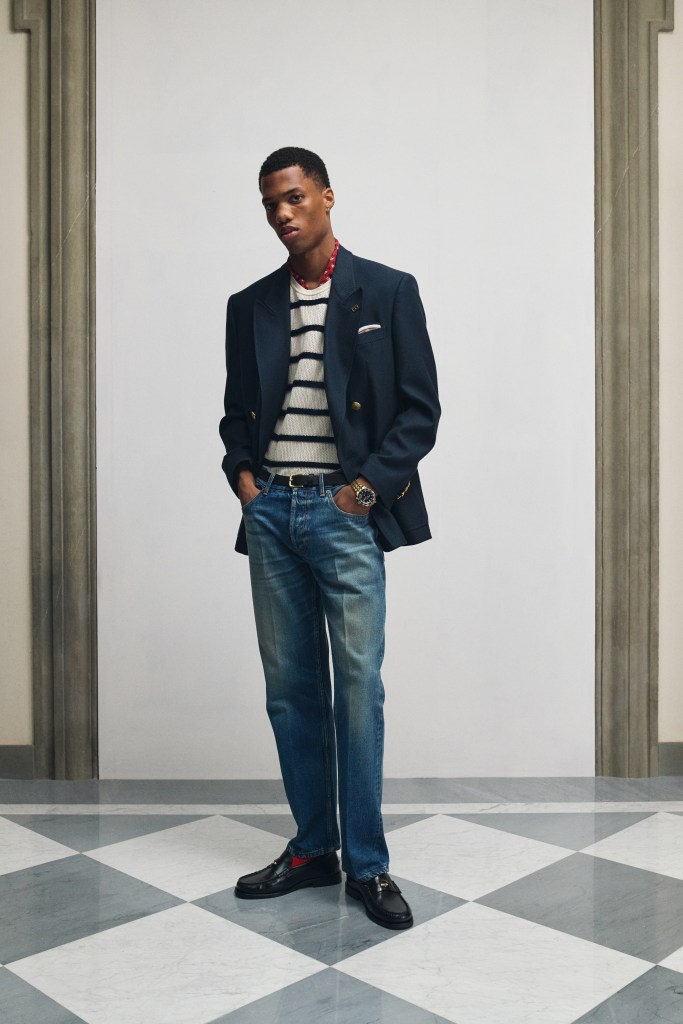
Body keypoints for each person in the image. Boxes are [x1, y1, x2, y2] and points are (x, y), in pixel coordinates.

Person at [219, 147, 439, 929]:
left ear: (326, 197)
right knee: (290, 692)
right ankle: (313, 847)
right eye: (270, 203)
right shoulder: (249, 304)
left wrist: (362, 493)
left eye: (294, 197)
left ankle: (367, 865)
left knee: (357, 692)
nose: (282, 213)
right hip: (272, 514)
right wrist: (245, 482)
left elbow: (419, 411)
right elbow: (236, 414)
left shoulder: (386, 289)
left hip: (344, 515)